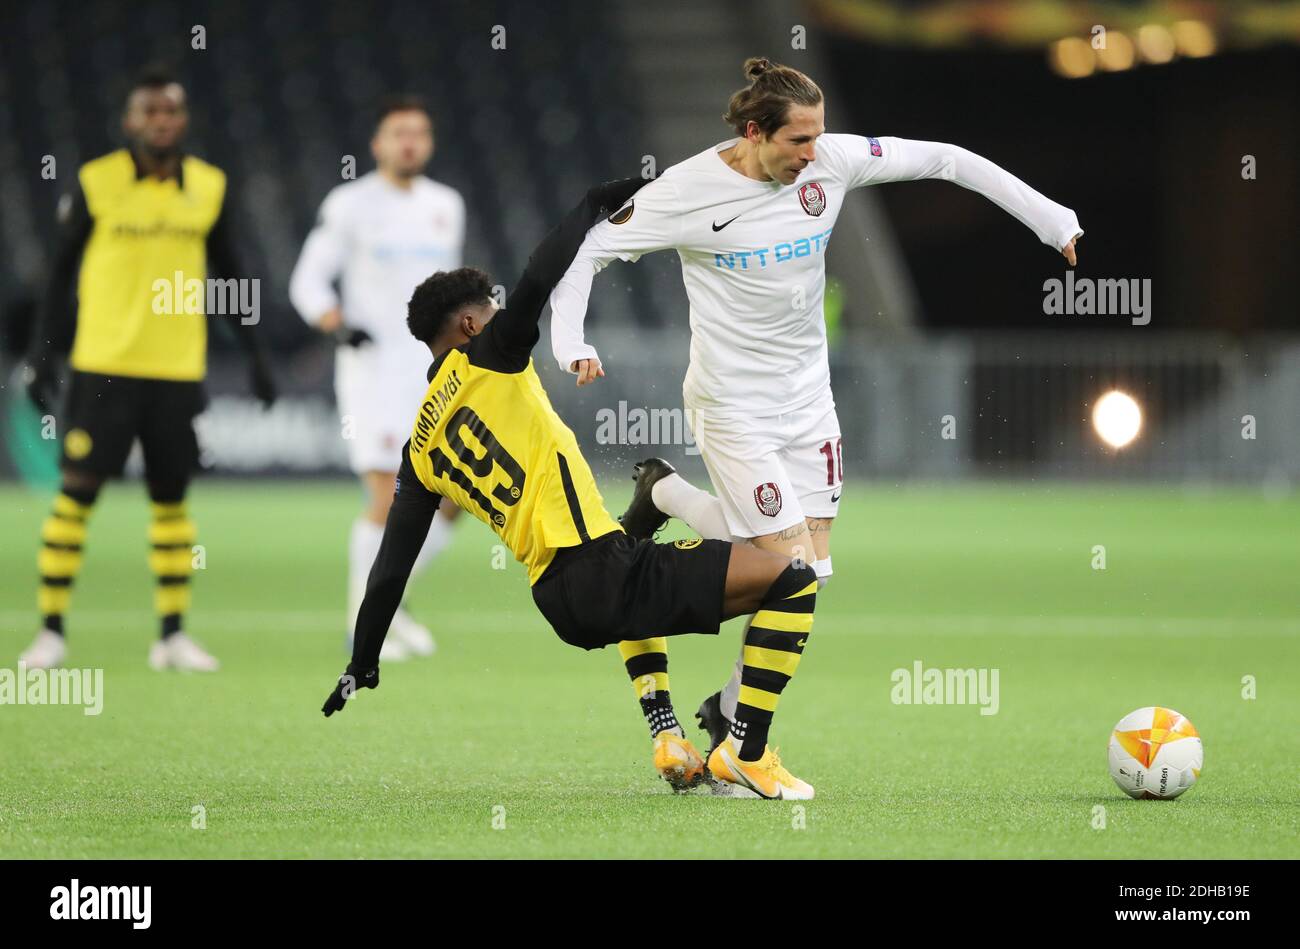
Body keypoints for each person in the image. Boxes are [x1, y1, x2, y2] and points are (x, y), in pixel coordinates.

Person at [548, 56, 1083, 753]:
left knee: (811, 572)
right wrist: (569, 342)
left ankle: (673, 511)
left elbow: (947, 160)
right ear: (753, 131)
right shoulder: (686, 191)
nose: (813, 153)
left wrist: (1052, 219)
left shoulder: (831, 162)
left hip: (807, 399)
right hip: (730, 404)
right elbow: (587, 251)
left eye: (818, 136)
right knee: (786, 569)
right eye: (798, 141)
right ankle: (745, 740)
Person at [320, 177, 821, 800]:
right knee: (792, 579)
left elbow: (391, 568)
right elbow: (539, 276)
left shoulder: (417, 450)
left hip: (557, 597)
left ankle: (665, 729)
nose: (507, 319)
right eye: (494, 314)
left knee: (632, 550)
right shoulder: (489, 357)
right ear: (471, 325)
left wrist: (362, 660)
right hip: (598, 570)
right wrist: (590, 204)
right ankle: (746, 750)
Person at [19, 67, 276, 672]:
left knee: (172, 500)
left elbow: (231, 274)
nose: (162, 122)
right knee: (76, 495)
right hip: (103, 365)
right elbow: (58, 275)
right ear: (131, 121)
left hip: (175, 370)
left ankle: (171, 636)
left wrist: (257, 356)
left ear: (183, 121)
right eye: (150, 112)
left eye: (172, 112)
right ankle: (51, 632)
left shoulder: (209, 187)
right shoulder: (97, 183)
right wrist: (41, 354)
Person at [290, 95, 466, 662]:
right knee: (389, 496)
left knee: (454, 497)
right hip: (374, 373)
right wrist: (334, 323)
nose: (409, 143)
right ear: (378, 144)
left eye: (419, 133)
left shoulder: (446, 205)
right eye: (398, 134)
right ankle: (361, 626)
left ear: (430, 143)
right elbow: (308, 280)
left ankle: (389, 603)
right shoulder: (350, 205)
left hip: (436, 372)